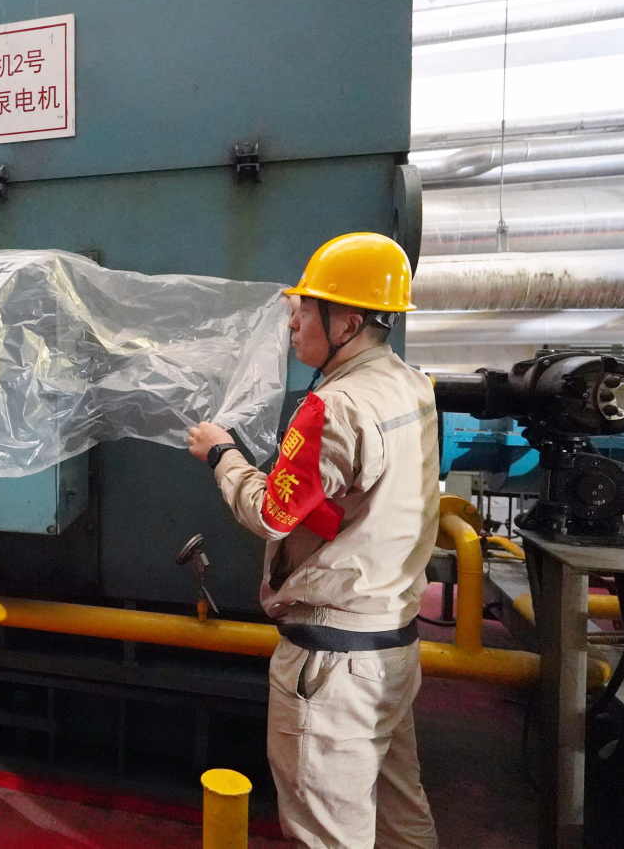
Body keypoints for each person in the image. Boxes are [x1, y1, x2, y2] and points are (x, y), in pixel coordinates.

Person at [187, 232, 440, 849]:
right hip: (391, 643)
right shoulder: (411, 384)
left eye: (306, 309)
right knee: (400, 815)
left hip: (334, 666)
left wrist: (221, 454)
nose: (293, 321)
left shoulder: (334, 407)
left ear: (348, 323)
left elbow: (273, 513)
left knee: (325, 832)